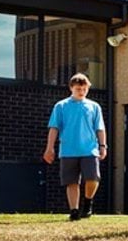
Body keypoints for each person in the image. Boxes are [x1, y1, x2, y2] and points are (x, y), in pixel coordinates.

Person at [43, 73, 107, 221]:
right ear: (71, 88)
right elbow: (54, 128)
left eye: (85, 88)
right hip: (68, 150)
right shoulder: (61, 106)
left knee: (93, 178)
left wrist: (103, 146)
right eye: (78, 88)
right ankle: (74, 210)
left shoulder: (94, 107)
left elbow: (100, 128)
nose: (82, 91)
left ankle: (88, 203)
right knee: (71, 182)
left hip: (89, 149)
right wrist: (49, 148)